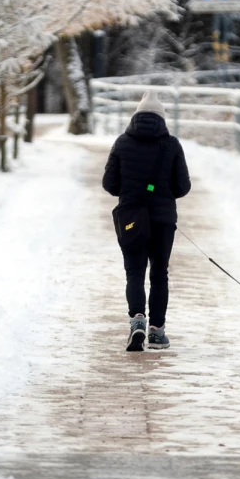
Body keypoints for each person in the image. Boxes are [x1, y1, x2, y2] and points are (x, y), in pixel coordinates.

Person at [102, 90, 191, 351]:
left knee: (134, 272)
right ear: (162, 119)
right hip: (163, 220)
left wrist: (130, 191)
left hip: (131, 218)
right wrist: (162, 193)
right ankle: (156, 332)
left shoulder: (122, 143)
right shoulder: (172, 145)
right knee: (159, 273)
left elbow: (110, 183)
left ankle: (137, 320)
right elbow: (182, 187)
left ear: (135, 117)